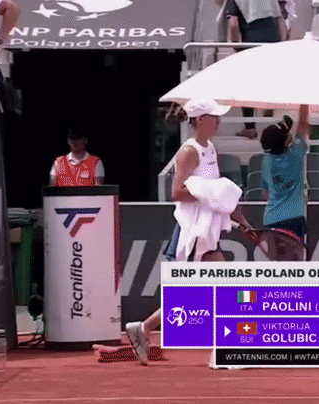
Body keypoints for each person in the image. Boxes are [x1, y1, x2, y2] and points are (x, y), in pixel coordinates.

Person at [125, 99, 252, 366]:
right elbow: (177, 192)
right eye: (213, 116)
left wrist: (240, 219)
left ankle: (144, 328)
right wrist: (211, 192)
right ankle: (221, 350)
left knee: (202, 293)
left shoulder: (210, 149)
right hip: (191, 233)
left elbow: (219, 196)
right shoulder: (188, 152)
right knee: (199, 294)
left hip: (206, 233)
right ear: (200, 120)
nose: (218, 121)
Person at [226, 0, 286, 139]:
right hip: (273, 38)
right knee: (269, 79)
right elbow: (280, 20)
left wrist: (236, 46)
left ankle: (250, 128)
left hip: (252, 40)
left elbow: (233, 24)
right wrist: (282, 44)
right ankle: (270, 114)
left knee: (245, 86)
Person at [260, 105, 310, 241]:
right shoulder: (295, 154)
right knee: (295, 254)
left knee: (275, 255)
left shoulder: (266, 162)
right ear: (287, 140)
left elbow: (265, 194)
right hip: (294, 218)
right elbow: (303, 124)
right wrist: (304, 104)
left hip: (271, 218)